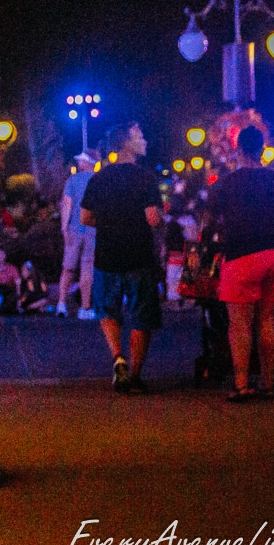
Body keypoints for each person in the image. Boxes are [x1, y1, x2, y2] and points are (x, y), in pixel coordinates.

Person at [203, 126, 274, 401]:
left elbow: (209, 221)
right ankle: (268, 381)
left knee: (240, 324)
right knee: (268, 320)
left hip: (242, 254)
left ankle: (241, 383)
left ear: (239, 149)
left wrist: (205, 245)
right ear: (262, 148)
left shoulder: (225, 184)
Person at [80, 122, 162, 394]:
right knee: (142, 317)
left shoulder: (99, 178)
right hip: (139, 255)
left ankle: (118, 356)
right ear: (126, 143)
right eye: (139, 135)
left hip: (107, 255)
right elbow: (153, 218)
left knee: (107, 310)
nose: (144, 140)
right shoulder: (145, 177)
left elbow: (85, 217)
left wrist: (110, 224)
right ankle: (135, 376)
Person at [58, 152, 98, 319]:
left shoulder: (72, 180)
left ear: (87, 162)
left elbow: (67, 205)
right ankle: (85, 307)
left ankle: (61, 304)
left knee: (68, 267)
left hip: (74, 229)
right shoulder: (99, 180)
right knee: (87, 268)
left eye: (81, 160)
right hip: (93, 230)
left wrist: (64, 228)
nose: (79, 162)